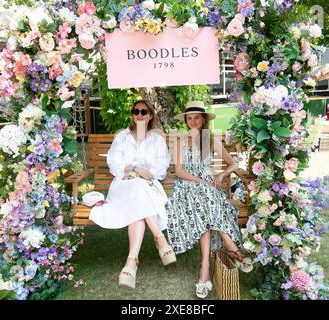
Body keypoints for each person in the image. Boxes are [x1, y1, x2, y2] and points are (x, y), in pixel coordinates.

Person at [89, 100, 176, 289]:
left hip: (148, 187)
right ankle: (160, 239)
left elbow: (161, 167)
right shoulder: (122, 136)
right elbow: (114, 163)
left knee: (139, 199)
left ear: (150, 115)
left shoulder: (157, 139)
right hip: (123, 186)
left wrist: (143, 174)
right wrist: (134, 168)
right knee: (137, 187)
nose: (139, 115)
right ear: (132, 114)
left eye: (144, 111)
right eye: (136, 111)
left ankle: (131, 261)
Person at [166, 101, 244, 299]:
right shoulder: (180, 141)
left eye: (196, 118)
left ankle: (205, 269)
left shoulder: (209, 140)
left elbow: (234, 163)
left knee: (205, 204)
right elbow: (180, 172)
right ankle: (228, 241)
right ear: (186, 120)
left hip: (208, 188)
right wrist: (203, 181)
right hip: (187, 186)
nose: (192, 121)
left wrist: (221, 175)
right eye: (189, 118)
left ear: (203, 120)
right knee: (205, 197)